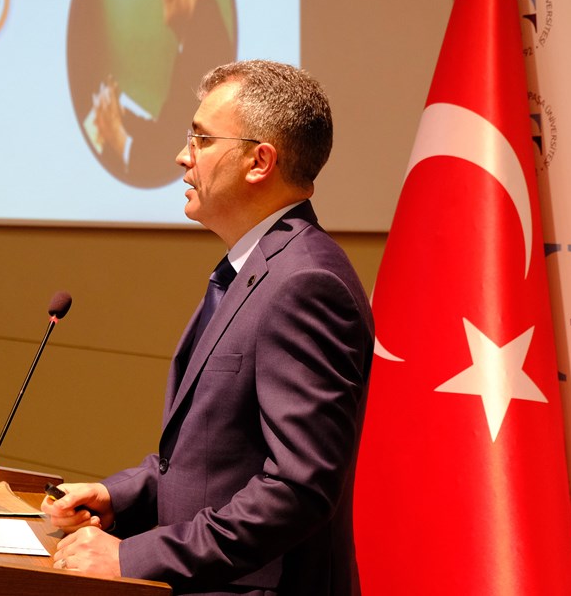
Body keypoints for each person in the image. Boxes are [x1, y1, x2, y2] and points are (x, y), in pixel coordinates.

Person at [45, 60, 375, 596]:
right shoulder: (254, 268)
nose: (183, 156)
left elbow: (298, 490)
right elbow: (214, 460)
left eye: (200, 138)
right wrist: (117, 497)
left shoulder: (306, 283)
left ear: (259, 161)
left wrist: (134, 556)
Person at [90, 0, 235, 188]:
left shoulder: (204, 41)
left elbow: (173, 150)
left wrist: (118, 139)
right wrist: (121, 116)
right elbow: (168, 129)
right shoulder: (195, 31)